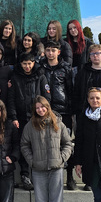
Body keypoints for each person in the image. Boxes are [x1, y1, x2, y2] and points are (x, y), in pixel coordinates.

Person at [20, 96, 73, 202]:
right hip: (38, 170)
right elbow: (24, 145)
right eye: (37, 108)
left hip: (56, 169)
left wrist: (62, 158)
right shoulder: (30, 126)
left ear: (47, 107)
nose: (40, 110)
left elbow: (68, 143)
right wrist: (32, 161)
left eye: (42, 107)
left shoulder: (58, 123)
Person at [7, 52, 51, 190]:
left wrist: (43, 115)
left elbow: (47, 98)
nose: (27, 66)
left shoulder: (41, 76)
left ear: (34, 63)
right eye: (24, 63)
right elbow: (11, 100)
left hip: (37, 118)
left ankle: (39, 174)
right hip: (20, 118)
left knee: (39, 145)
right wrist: (13, 117)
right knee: (23, 146)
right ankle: (25, 175)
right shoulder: (15, 78)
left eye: (29, 63)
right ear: (21, 64)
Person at [42, 41, 77, 190]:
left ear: (58, 52)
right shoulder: (40, 68)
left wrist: (71, 109)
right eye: (48, 50)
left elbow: (71, 90)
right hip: (45, 111)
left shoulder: (66, 69)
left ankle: (70, 176)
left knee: (66, 143)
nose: (50, 53)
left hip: (64, 111)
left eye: (53, 50)